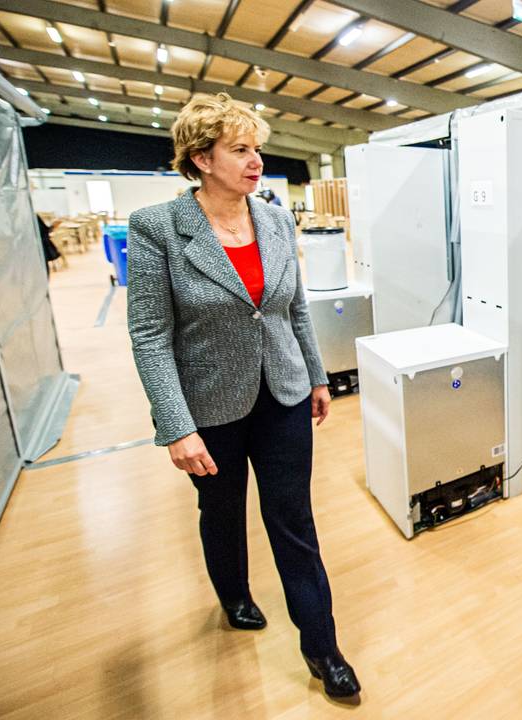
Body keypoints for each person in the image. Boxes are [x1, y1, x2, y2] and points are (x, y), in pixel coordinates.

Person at [125, 93, 361, 700]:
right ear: (202, 159)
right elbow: (150, 335)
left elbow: (294, 309)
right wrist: (175, 427)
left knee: (293, 519)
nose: (256, 160)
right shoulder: (159, 228)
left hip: (281, 395)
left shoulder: (277, 218)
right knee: (222, 510)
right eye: (240, 150)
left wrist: (315, 375)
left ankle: (323, 646)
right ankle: (233, 593)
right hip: (208, 407)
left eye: (257, 148)